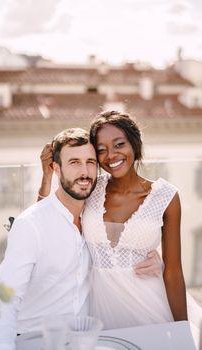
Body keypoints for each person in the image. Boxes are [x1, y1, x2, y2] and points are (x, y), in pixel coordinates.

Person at [0, 127, 160, 350]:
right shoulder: (31, 225)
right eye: (74, 162)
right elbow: (4, 300)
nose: (84, 172)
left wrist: (155, 260)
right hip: (34, 340)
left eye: (90, 162)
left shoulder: (96, 219)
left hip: (84, 340)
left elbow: (123, 250)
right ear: (56, 168)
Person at [38, 111, 190, 330]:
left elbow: (174, 272)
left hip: (150, 307)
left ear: (135, 145)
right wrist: (47, 176)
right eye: (101, 150)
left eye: (119, 144)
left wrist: (181, 330)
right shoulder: (91, 188)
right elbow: (48, 220)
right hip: (99, 313)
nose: (111, 155)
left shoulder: (166, 197)